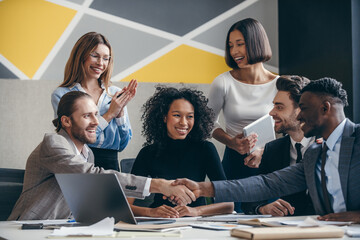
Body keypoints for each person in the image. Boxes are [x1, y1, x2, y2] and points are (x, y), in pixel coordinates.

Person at [173, 77, 360, 223]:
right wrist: (201, 188)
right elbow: (267, 184)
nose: (301, 115)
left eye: (303, 108)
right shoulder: (315, 154)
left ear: (325, 108)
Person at [8, 91, 195, 221]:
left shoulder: (87, 153)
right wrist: (158, 184)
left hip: (60, 229)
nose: (96, 122)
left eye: (96, 115)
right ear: (66, 121)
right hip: (28, 228)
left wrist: (149, 212)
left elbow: (92, 204)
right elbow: (92, 175)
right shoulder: (54, 144)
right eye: (87, 116)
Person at [128, 87, 234, 218]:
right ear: (164, 117)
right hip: (158, 222)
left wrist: (196, 211)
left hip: (196, 222)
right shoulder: (147, 153)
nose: (184, 123)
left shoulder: (206, 149)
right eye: (177, 115)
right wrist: (151, 212)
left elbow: (229, 205)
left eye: (190, 116)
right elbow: (125, 205)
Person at [207, 18, 279, 212]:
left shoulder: (279, 84)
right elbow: (207, 124)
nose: (234, 52)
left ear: (257, 42)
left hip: (269, 162)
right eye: (231, 46)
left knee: (271, 222)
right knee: (229, 221)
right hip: (233, 162)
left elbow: (290, 129)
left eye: (240, 44)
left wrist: (264, 151)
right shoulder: (223, 82)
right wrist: (232, 142)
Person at [51, 32, 134, 171]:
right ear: (80, 56)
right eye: (94, 56)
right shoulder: (62, 94)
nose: (100, 63)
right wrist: (109, 115)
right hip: (78, 162)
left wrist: (120, 116)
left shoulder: (115, 94)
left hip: (111, 165)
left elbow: (123, 145)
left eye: (106, 58)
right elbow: (71, 138)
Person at [241, 75, 315, 216]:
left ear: (301, 110)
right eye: (274, 105)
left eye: (279, 107)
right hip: (287, 230)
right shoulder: (273, 149)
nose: (271, 112)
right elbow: (250, 200)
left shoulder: (327, 145)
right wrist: (263, 208)